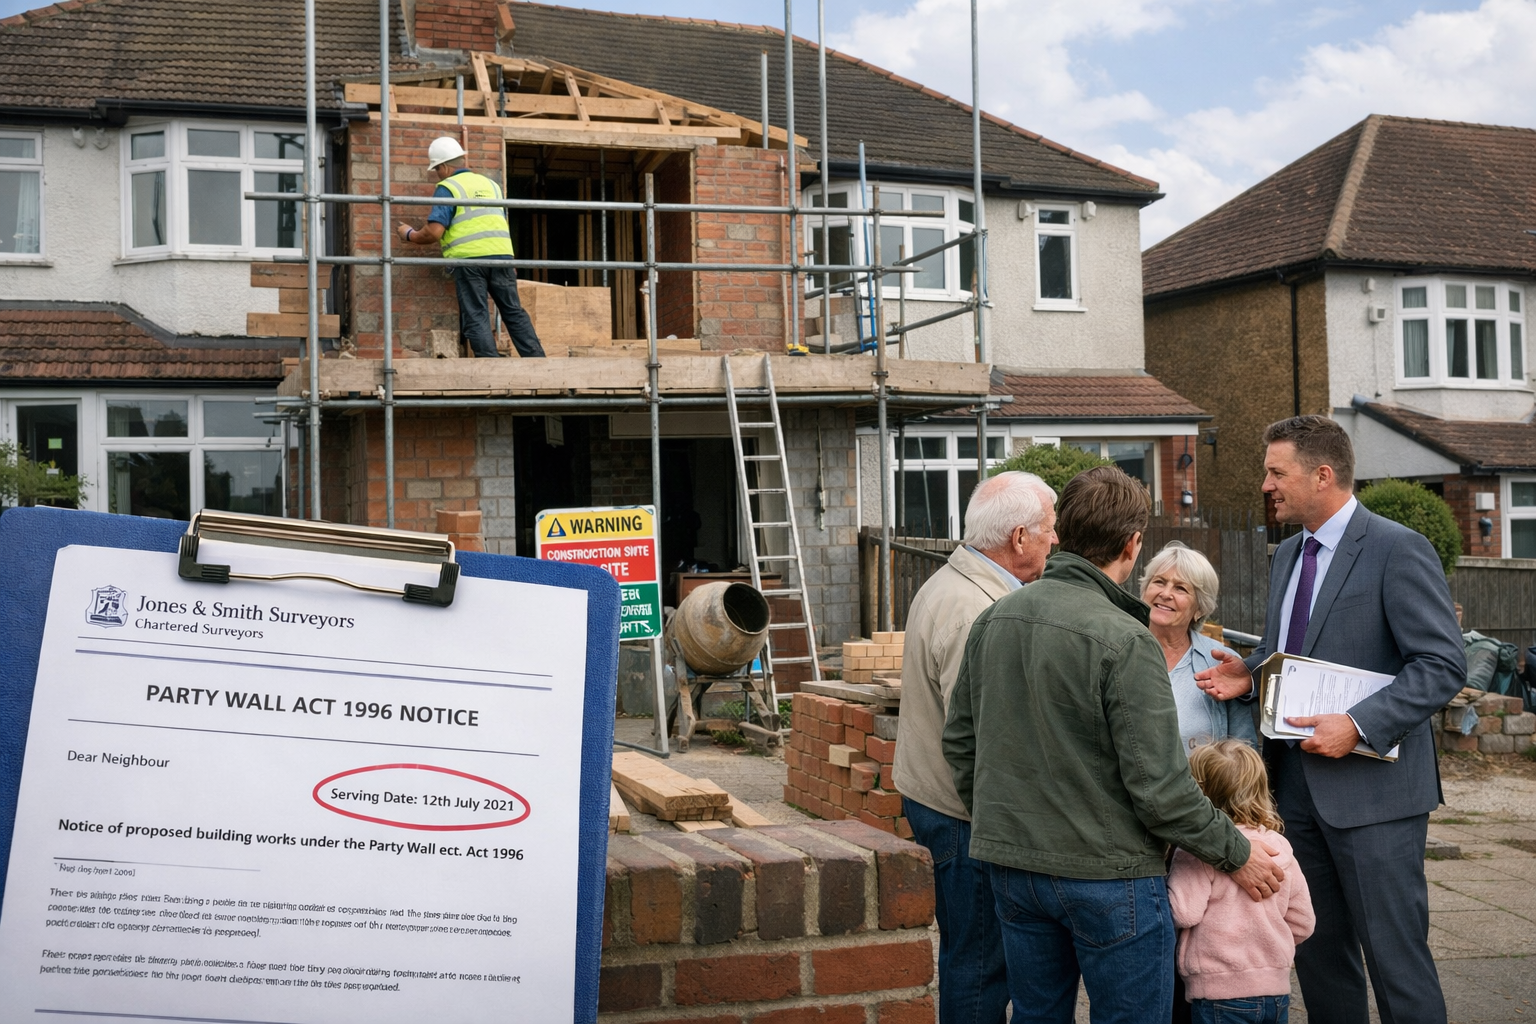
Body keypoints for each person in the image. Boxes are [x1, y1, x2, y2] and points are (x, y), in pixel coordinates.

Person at [944, 466, 1284, 1024]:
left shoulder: (996, 618)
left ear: (1061, 532)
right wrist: (1237, 852)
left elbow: (960, 745)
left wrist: (1002, 822)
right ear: (1133, 544)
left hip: (1015, 869)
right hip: (1108, 878)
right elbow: (1161, 790)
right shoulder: (1127, 640)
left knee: (1034, 1015)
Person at [1196, 415, 1465, 1024]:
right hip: (1293, 791)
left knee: (1397, 961)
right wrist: (1252, 672)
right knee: (1317, 954)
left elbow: (1442, 664)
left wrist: (1360, 723)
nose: (1265, 484)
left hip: (1376, 796)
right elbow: (1292, 650)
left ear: (1323, 475)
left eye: (1275, 471)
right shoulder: (1290, 552)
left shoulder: (1398, 548)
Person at [893, 471, 1058, 1024]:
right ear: (1018, 538)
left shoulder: (956, 583)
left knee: (971, 955)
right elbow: (984, 739)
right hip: (964, 816)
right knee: (981, 965)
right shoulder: (976, 610)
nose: (1054, 541)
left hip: (941, 801)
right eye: (1049, 530)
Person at [1169, 740, 1316, 1024]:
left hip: (1217, 993)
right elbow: (1303, 922)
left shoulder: (1198, 852)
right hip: (1275, 992)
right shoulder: (1279, 848)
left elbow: (1183, 912)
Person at [396, 137, 545, 359]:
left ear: (444, 166)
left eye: (437, 168)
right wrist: (510, 259)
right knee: (513, 312)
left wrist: (409, 235)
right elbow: (498, 222)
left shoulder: (448, 187)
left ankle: (490, 369)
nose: (438, 173)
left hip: (470, 261)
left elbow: (434, 232)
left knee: (476, 314)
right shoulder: (491, 185)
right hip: (502, 257)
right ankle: (539, 366)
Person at [1141, 541, 1258, 753]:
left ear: (1199, 609)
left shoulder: (1220, 662)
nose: (1166, 593)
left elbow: (1243, 753)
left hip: (1203, 786)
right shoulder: (1118, 652)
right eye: (1159, 582)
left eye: (1180, 588)